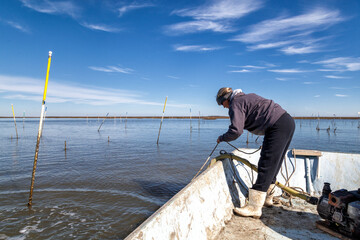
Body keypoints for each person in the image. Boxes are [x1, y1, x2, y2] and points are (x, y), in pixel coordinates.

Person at [216, 87, 295, 219]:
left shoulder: (235, 103)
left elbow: (236, 130)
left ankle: (254, 207)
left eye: (221, 104)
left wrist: (222, 137)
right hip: (286, 122)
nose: (223, 107)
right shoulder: (245, 98)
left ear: (225, 99)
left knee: (266, 163)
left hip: (277, 126)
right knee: (273, 163)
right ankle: (268, 197)